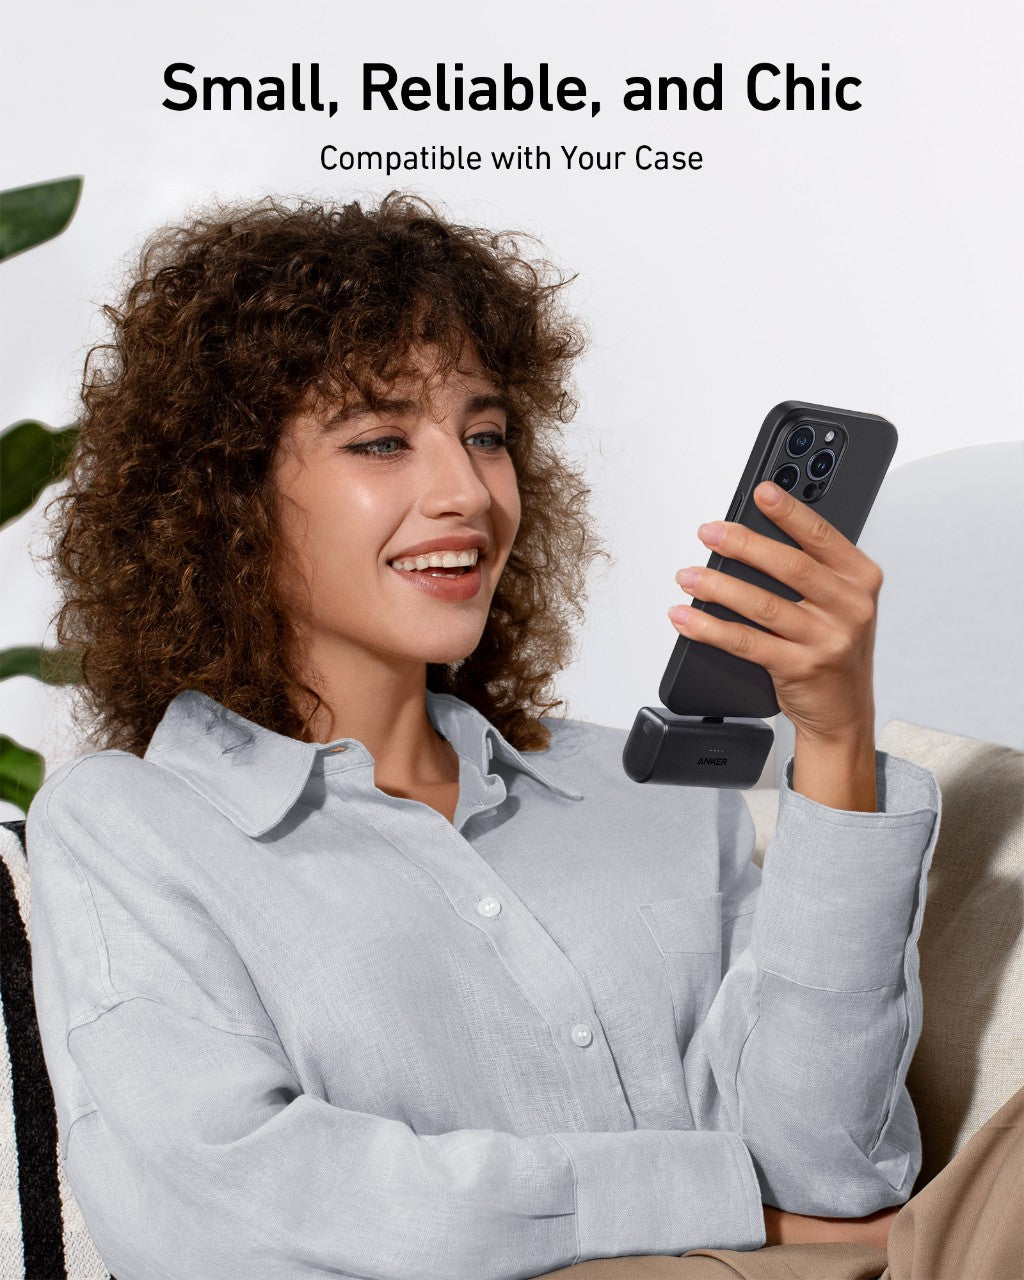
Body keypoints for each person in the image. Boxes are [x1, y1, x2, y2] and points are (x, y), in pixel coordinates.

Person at [28, 192, 944, 1279]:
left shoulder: (640, 788)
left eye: (486, 434)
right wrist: (732, 1203)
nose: (467, 491)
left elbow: (837, 1173)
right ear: (224, 495)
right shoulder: (133, 827)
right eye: (380, 439)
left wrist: (833, 744)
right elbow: (226, 1218)